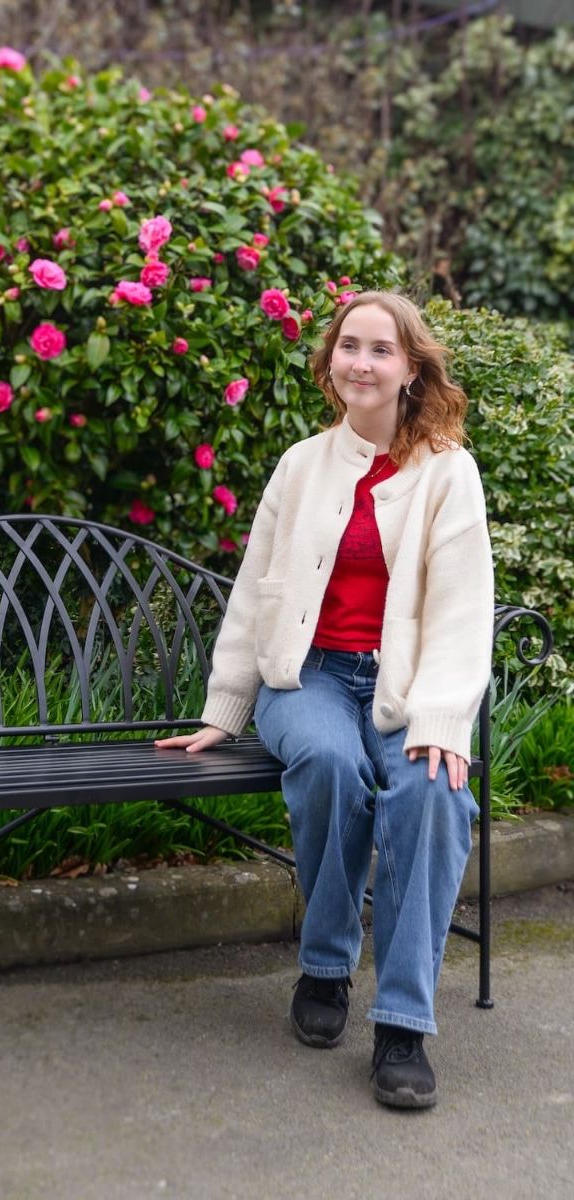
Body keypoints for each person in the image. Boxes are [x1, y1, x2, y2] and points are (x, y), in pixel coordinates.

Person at [157, 291, 494, 1110]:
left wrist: (444, 720)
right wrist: (226, 707)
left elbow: (462, 606)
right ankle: (326, 965)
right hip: (306, 678)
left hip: (404, 686)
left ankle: (403, 1025)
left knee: (435, 792)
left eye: (381, 350)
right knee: (329, 762)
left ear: (412, 367)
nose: (362, 363)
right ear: (331, 360)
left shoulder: (448, 471)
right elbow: (256, 594)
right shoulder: (302, 465)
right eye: (350, 346)